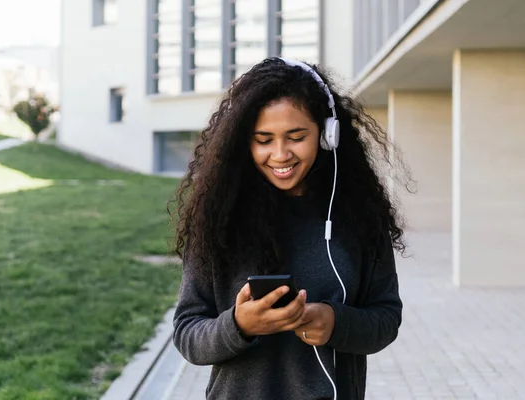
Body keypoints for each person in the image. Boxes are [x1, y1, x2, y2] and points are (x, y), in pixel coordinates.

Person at [170, 57, 406, 400]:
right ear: (243, 142)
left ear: (327, 135)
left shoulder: (359, 217)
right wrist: (239, 326)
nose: (280, 154)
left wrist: (335, 323)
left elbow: (386, 319)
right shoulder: (220, 218)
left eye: (296, 137)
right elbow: (188, 333)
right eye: (263, 140)